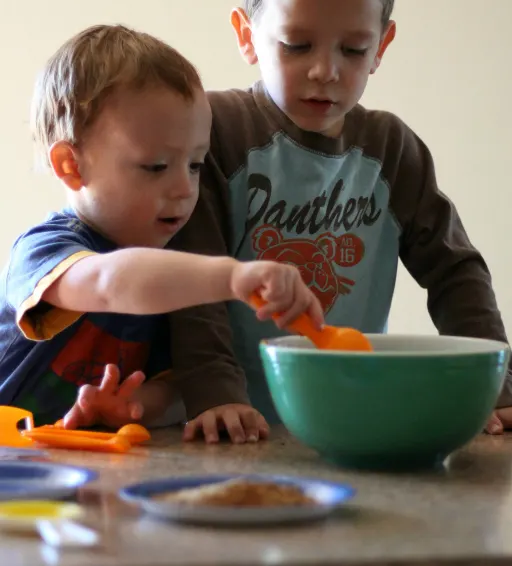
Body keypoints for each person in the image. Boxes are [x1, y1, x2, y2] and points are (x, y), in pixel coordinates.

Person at [170, 0, 512, 443]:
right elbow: (189, 275)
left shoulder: (392, 149)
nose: (326, 71)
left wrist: (496, 390)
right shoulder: (213, 131)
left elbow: (456, 271)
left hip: (346, 424)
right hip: (224, 424)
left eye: (353, 49)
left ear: (382, 47)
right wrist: (216, 393)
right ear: (246, 34)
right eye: (296, 45)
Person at [0, 24, 323, 434]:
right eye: (155, 166)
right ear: (71, 165)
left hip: (81, 465)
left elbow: (172, 389)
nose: (185, 188)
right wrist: (232, 275)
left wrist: (130, 407)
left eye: (195, 165)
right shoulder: (45, 249)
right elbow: (108, 282)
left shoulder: (170, 277)